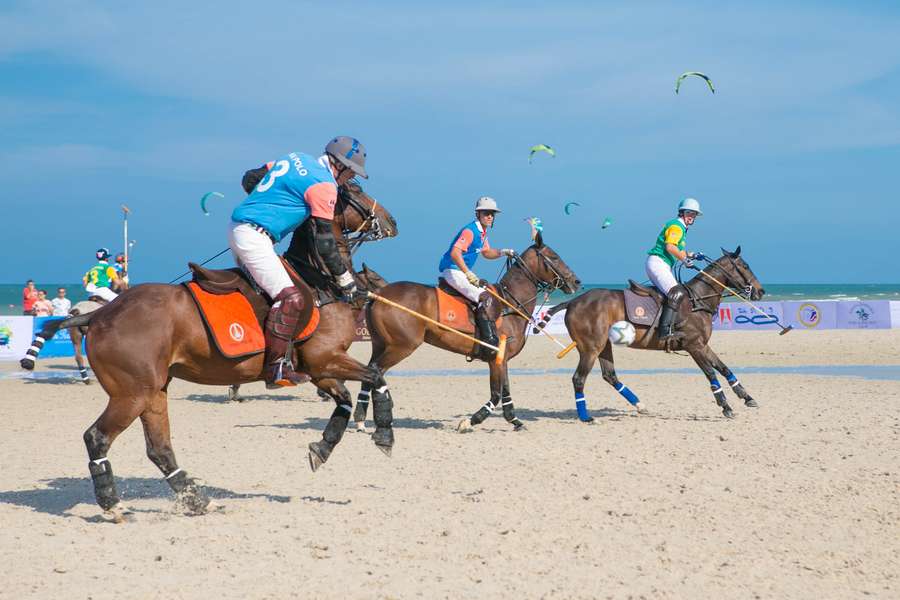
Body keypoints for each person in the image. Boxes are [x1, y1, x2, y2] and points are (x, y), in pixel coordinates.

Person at [229, 136, 367, 388]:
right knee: (291, 298)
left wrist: (270, 206)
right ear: (341, 166)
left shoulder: (296, 158)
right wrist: (346, 281)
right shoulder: (325, 185)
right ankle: (276, 368)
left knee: (266, 294)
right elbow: (325, 243)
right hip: (254, 238)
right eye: (351, 173)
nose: (350, 179)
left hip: (242, 230)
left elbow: (250, 177)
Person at [438, 197, 515, 360]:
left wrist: (503, 252)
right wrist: (468, 273)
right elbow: (455, 253)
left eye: (492, 214)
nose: (490, 217)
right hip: (453, 270)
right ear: (478, 214)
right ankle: (488, 342)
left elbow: (487, 253)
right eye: (486, 213)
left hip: (460, 271)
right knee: (485, 298)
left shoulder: (482, 233)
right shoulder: (470, 230)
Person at [645, 197, 707, 341]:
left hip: (663, 264)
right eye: (690, 213)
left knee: (675, 292)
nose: (692, 217)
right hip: (658, 263)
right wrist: (684, 259)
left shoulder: (682, 229)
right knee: (677, 293)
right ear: (682, 212)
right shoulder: (676, 227)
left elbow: (677, 250)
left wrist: (692, 255)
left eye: (694, 214)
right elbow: (670, 247)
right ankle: (665, 331)